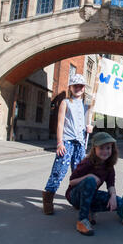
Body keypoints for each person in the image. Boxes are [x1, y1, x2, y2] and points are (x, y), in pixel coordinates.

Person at [42, 74, 93, 215]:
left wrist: (90, 127)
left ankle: (76, 198)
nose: (78, 88)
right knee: (59, 170)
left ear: (84, 88)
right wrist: (59, 143)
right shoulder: (65, 102)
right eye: (75, 85)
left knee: (79, 172)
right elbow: (60, 123)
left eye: (81, 86)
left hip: (80, 143)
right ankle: (48, 199)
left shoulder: (87, 104)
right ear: (70, 87)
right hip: (67, 141)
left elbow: (88, 122)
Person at [65, 132, 123, 236]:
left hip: (90, 195)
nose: (105, 151)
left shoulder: (109, 165)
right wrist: (88, 176)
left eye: (108, 148)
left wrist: (113, 196)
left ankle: (90, 209)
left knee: (119, 202)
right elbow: (72, 182)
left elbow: (111, 184)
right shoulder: (87, 162)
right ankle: (82, 220)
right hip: (74, 195)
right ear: (95, 149)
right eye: (101, 148)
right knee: (90, 181)